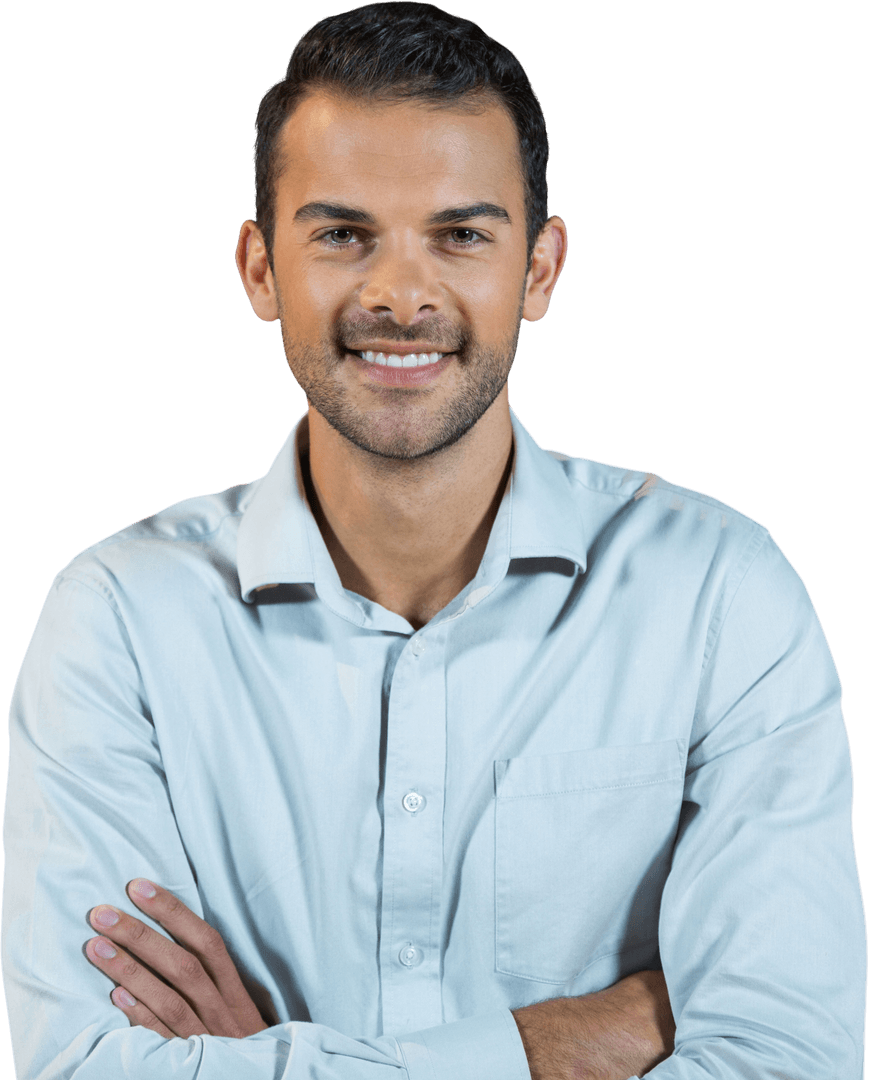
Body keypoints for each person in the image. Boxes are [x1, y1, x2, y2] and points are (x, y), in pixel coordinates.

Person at [2, 2, 865, 1077]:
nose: (400, 295)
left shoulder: (720, 599)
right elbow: (82, 1066)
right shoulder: (117, 622)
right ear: (260, 268)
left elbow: (790, 1060)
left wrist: (271, 1062)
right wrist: (556, 1041)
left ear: (538, 271)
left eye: (460, 234)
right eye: (340, 233)